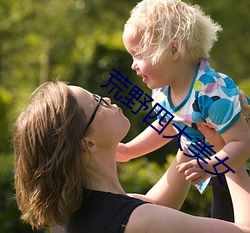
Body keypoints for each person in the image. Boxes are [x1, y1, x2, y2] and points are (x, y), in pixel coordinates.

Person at [13, 81, 250, 233]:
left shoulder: (71, 218)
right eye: (97, 103)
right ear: (88, 143)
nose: (106, 99)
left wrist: (190, 125)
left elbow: (156, 204)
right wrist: (228, 148)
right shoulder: (138, 221)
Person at [119, 0, 250, 222]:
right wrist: (129, 150)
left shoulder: (210, 92)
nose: (133, 65)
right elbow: (167, 125)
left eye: (138, 55)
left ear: (173, 50)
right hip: (216, 167)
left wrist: (210, 166)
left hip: (239, 169)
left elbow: (242, 143)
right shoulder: (163, 90)